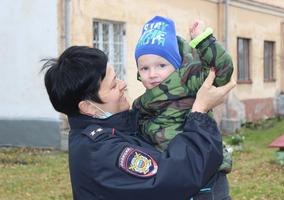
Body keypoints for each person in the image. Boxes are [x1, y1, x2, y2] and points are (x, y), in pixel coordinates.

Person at [41, 46, 235, 200]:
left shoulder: (117, 127)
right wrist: (199, 112)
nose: (123, 84)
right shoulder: (101, 152)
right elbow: (177, 177)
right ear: (88, 107)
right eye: (113, 85)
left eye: (117, 77)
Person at [133, 16, 234, 199]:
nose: (152, 74)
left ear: (176, 63)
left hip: (207, 174)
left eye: (161, 65)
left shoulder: (189, 80)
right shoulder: (142, 104)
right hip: (177, 175)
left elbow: (222, 71)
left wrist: (203, 40)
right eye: (144, 68)